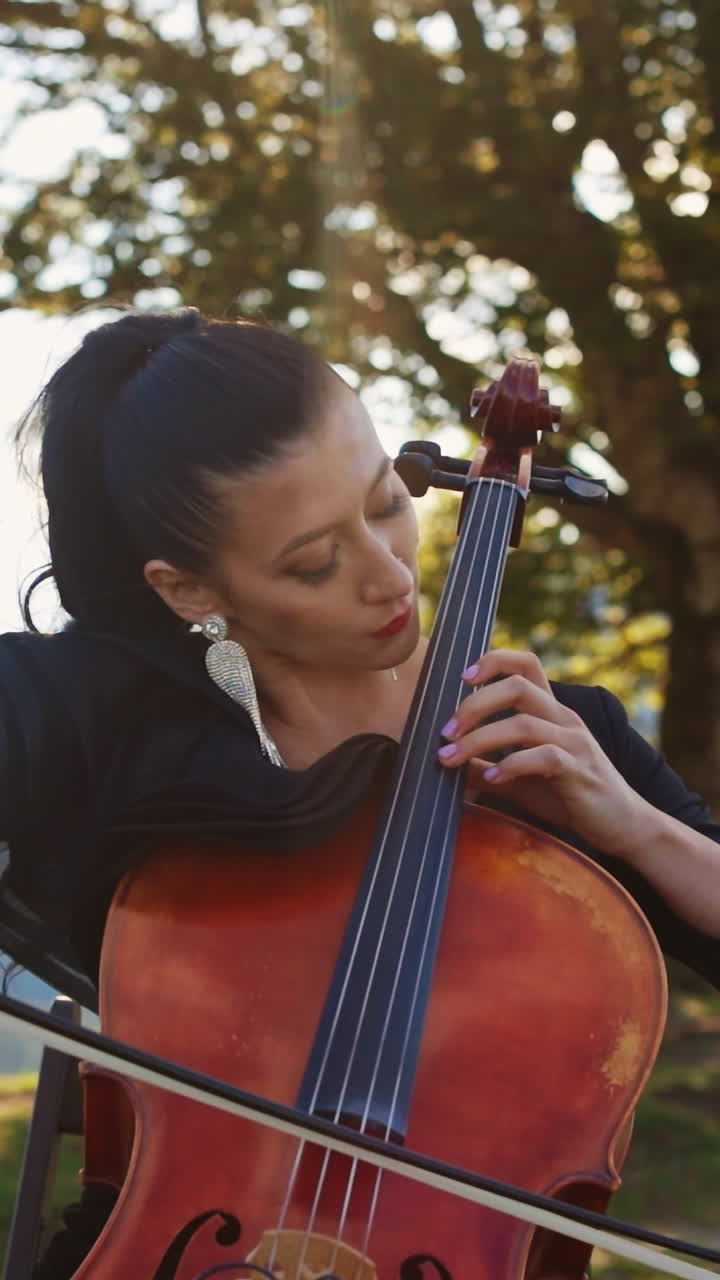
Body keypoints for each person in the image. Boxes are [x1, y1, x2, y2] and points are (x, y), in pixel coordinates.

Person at [0, 307, 716, 1279]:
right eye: (314, 562)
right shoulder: (104, 710)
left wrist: (631, 826)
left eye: (385, 503)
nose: (390, 576)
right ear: (190, 590)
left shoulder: (555, 735)